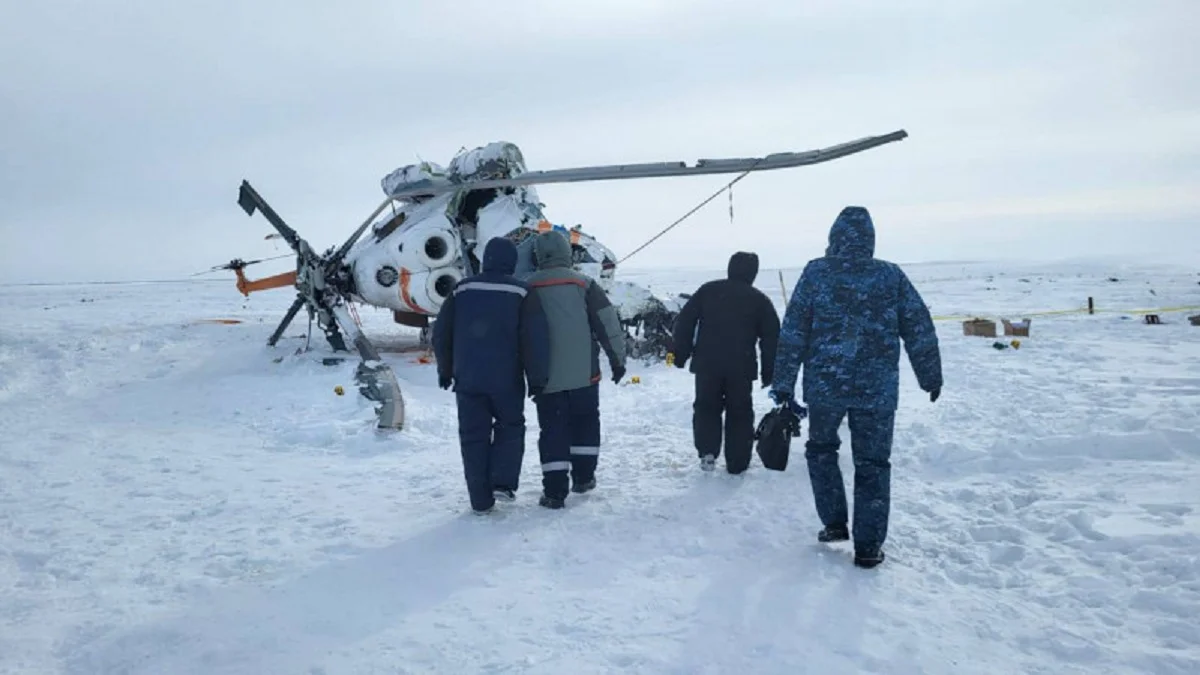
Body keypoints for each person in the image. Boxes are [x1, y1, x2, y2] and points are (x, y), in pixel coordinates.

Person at [770, 206, 942, 569]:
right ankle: (868, 546)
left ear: (834, 238)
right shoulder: (890, 276)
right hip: (876, 391)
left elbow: (794, 331)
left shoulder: (816, 273)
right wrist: (930, 375)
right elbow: (918, 328)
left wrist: (783, 383)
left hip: (825, 387)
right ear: (870, 240)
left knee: (821, 450)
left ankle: (834, 523)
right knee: (873, 464)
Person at [431, 236, 550, 514]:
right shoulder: (522, 292)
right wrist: (537, 378)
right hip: (506, 379)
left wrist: (445, 369)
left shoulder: (461, 290)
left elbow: (441, 334)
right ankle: (503, 482)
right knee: (510, 426)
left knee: (473, 436)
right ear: (512, 262)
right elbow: (535, 339)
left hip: (468, 378)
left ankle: (480, 500)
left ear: (485, 260)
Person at [525, 229, 627, 509]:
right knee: (585, 424)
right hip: (585, 376)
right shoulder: (585, 284)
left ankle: (555, 492)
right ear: (566, 253)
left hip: (546, 379)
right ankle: (583, 477)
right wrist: (618, 360)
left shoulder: (527, 287)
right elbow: (608, 325)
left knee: (553, 431)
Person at [671, 251, 780, 474]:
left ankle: (707, 452)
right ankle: (737, 462)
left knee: (706, 407)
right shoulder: (759, 300)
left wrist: (680, 353)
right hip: (741, 367)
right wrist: (771, 372)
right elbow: (772, 339)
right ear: (753, 273)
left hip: (707, 364)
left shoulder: (708, 290)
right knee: (740, 412)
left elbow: (685, 322)